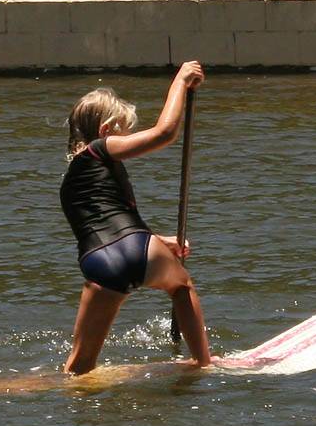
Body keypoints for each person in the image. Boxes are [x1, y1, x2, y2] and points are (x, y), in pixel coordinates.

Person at [59, 61, 211, 375]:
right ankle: (202, 363)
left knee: (78, 368)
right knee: (181, 286)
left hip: (99, 264)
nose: (126, 139)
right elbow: (164, 133)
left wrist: (162, 240)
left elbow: (109, 224)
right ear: (105, 130)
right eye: (123, 131)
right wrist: (180, 82)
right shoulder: (102, 148)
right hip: (137, 249)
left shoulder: (72, 179)